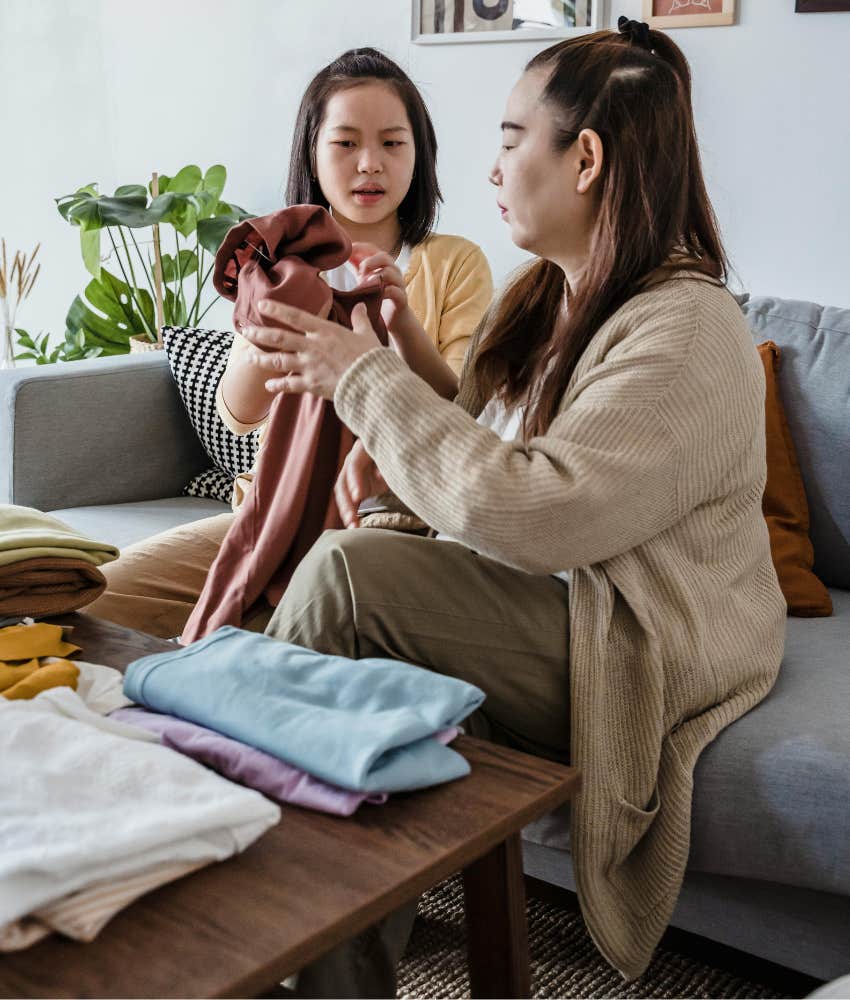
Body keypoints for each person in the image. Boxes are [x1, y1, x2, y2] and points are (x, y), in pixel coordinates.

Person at [242, 19, 786, 994]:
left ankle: (233, 907)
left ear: (583, 158)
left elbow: (535, 509)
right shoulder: (547, 293)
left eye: (506, 137)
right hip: (548, 597)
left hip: (647, 634)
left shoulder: (685, 326)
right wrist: (395, 423)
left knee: (345, 577)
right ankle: (325, 975)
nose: (489, 167)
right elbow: (462, 438)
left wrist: (362, 379)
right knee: (383, 692)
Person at [87, 48, 492, 639]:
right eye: (346, 143)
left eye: (393, 143)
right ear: (313, 151)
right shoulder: (279, 261)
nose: (370, 164)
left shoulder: (452, 262)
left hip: (384, 525)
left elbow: (462, 408)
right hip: (264, 513)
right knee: (94, 600)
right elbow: (240, 412)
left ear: (420, 154)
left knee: (278, 641)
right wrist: (271, 321)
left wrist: (397, 324)